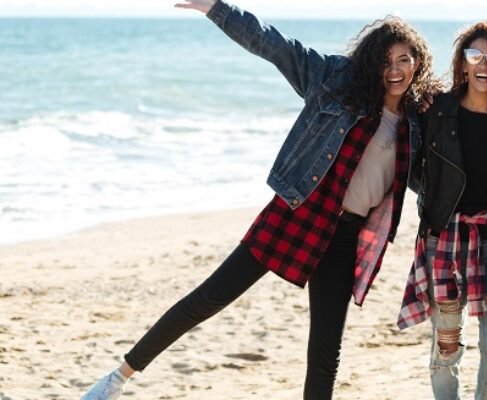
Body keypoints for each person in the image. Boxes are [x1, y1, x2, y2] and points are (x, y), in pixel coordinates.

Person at [80, 0, 439, 398]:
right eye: (385, 61)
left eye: (403, 60)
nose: (394, 70)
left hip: (345, 235)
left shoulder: (416, 121)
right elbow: (273, 44)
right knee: (210, 297)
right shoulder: (333, 81)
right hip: (297, 214)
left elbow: (433, 173)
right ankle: (118, 378)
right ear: (370, 62)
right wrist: (217, 9)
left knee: (325, 348)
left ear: (417, 63)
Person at [395, 21, 487, 400]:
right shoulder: (437, 110)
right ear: (463, 62)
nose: (484, 63)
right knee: (446, 348)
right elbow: (410, 163)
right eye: (475, 55)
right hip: (444, 240)